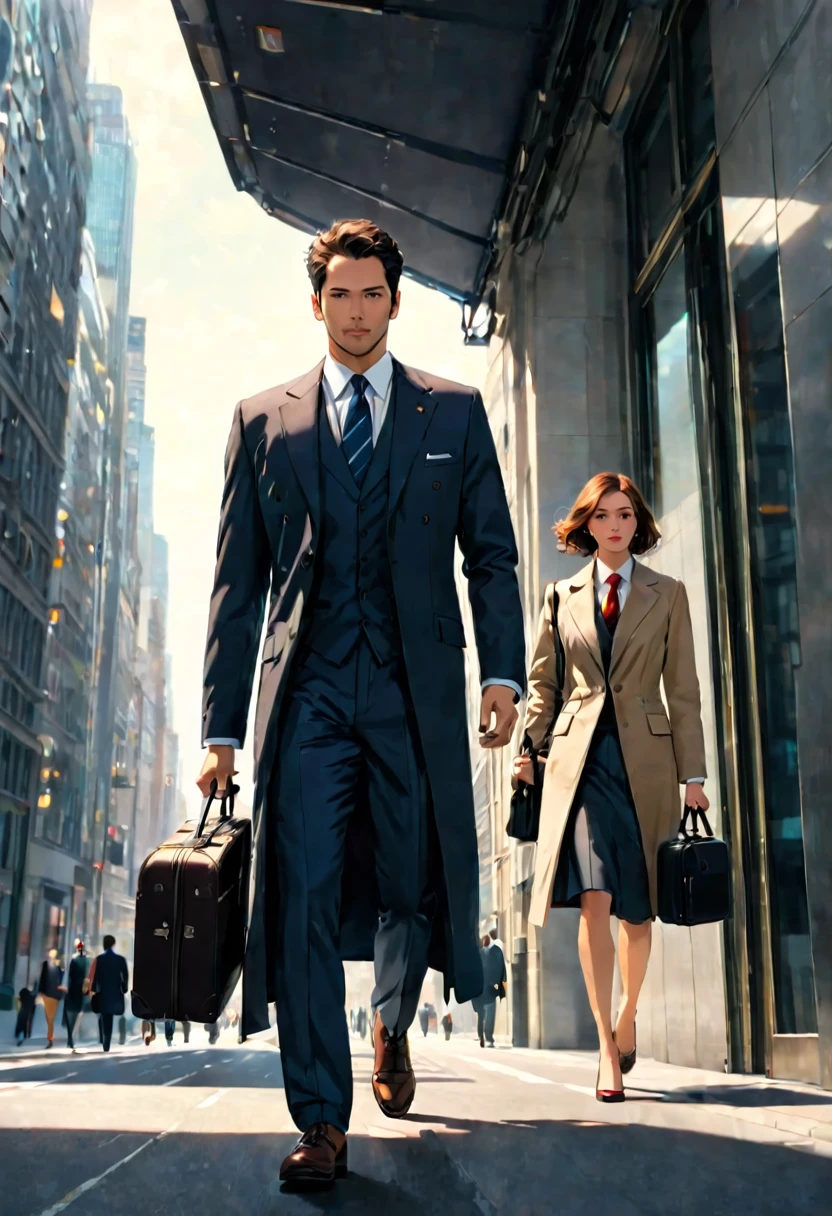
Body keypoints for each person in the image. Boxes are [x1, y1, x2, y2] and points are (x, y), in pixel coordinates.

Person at [196, 217, 525, 1187]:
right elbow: (235, 584)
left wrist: (502, 674)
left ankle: (391, 1015)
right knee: (298, 892)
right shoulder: (265, 418)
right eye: (338, 293)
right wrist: (219, 728)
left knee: (408, 876)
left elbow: (493, 556)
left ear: (394, 299)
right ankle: (321, 1120)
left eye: (371, 292)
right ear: (316, 303)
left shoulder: (452, 413)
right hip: (305, 695)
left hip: (409, 688)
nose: (354, 309)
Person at [514, 472, 708, 1103]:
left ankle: (629, 1017)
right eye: (602, 515)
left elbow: (682, 692)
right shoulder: (559, 596)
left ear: (638, 521)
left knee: (638, 906)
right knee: (594, 895)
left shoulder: (668, 593)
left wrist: (694, 778)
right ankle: (605, 1044)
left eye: (625, 514)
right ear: (586, 525)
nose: (616, 524)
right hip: (580, 764)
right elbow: (543, 685)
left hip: (645, 764)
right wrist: (527, 750)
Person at [89, 934, 129, 1053]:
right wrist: (124, 988)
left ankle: (105, 1041)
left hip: (103, 992)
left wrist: (94, 990)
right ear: (114, 944)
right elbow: (125, 976)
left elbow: (95, 977)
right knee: (110, 1016)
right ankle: (107, 1041)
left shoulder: (99, 959)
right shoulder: (120, 959)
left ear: (104, 945)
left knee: (105, 1015)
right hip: (115, 992)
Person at [472, 936, 506, 1047]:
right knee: (489, 1014)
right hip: (490, 988)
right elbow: (502, 969)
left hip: (483, 988)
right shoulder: (496, 951)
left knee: (482, 1015)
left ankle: (482, 1035)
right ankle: (488, 1038)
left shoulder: (482, 953)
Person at [63, 940, 89, 1053]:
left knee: (70, 1015)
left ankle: (70, 1038)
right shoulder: (86, 961)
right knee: (77, 1015)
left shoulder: (74, 961)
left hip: (72, 990)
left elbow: (69, 976)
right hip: (82, 991)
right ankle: (71, 1038)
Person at [37, 949, 65, 1049]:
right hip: (48, 995)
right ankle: (50, 1038)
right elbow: (42, 978)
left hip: (54, 995)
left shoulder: (59, 968)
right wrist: (40, 991)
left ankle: (50, 1038)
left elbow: (61, 981)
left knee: (50, 1018)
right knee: (49, 1018)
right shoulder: (47, 965)